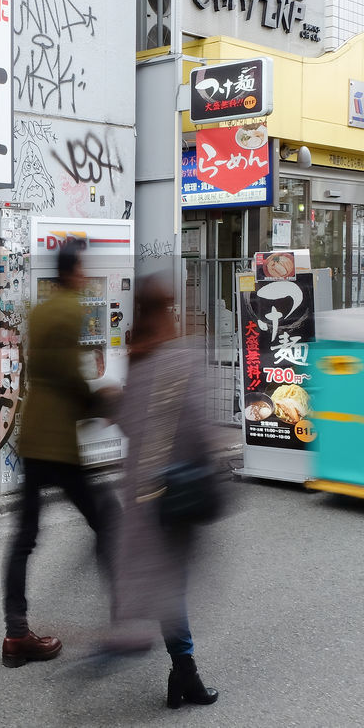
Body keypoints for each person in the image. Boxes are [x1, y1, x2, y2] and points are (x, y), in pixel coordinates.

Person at [1, 239, 115, 667]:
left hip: (34, 437)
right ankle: (122, 621)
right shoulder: (70, 309)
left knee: (24, 538)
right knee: (108, 523)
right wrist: (103, 403)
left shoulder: (40, 309)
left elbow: (40, 372)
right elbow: (70, 376)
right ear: (74, 270)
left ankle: (16, 634)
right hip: (60, 446)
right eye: (84, 267)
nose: (87, 274)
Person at [108, 277, 219, 708]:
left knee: (161, 581)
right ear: (169, 311)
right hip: (175, 491)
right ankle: (178, 668)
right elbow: (195, 425)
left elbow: (125, 422)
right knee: (172, 585)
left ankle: (180, 670)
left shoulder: (136, 357)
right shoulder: (180, 358)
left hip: (141, 492)